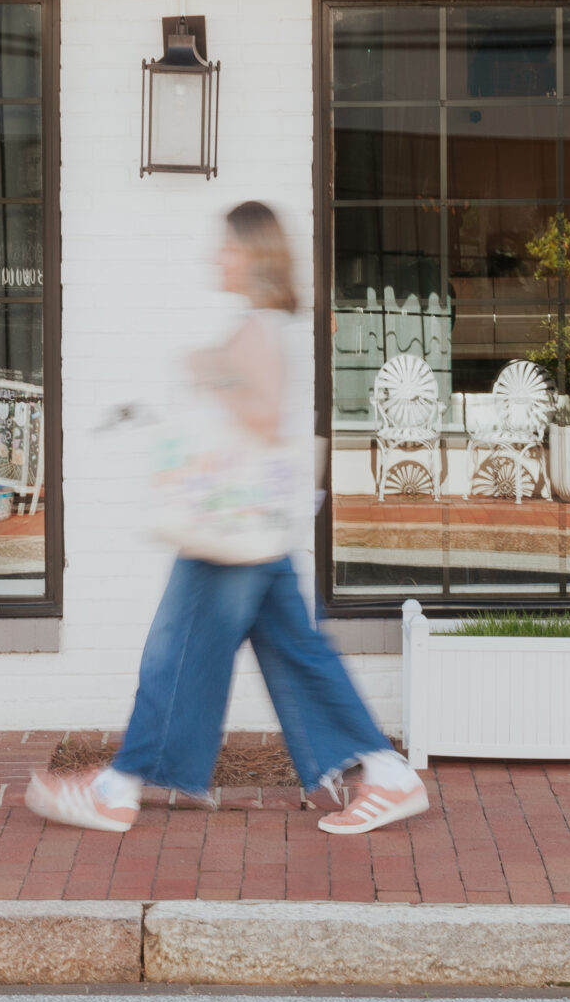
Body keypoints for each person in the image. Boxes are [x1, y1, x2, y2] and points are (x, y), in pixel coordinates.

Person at [28, 201, 430, 838]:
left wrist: (209, 371)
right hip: (249, 526)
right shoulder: (259, 324)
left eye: (229, 247)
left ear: (256, 255)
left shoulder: (260, 330)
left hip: (230, 525)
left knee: (179, 651)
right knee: (295, 652)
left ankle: (117, 788)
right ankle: (387, 772)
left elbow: (266, 418)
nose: (218, 256)